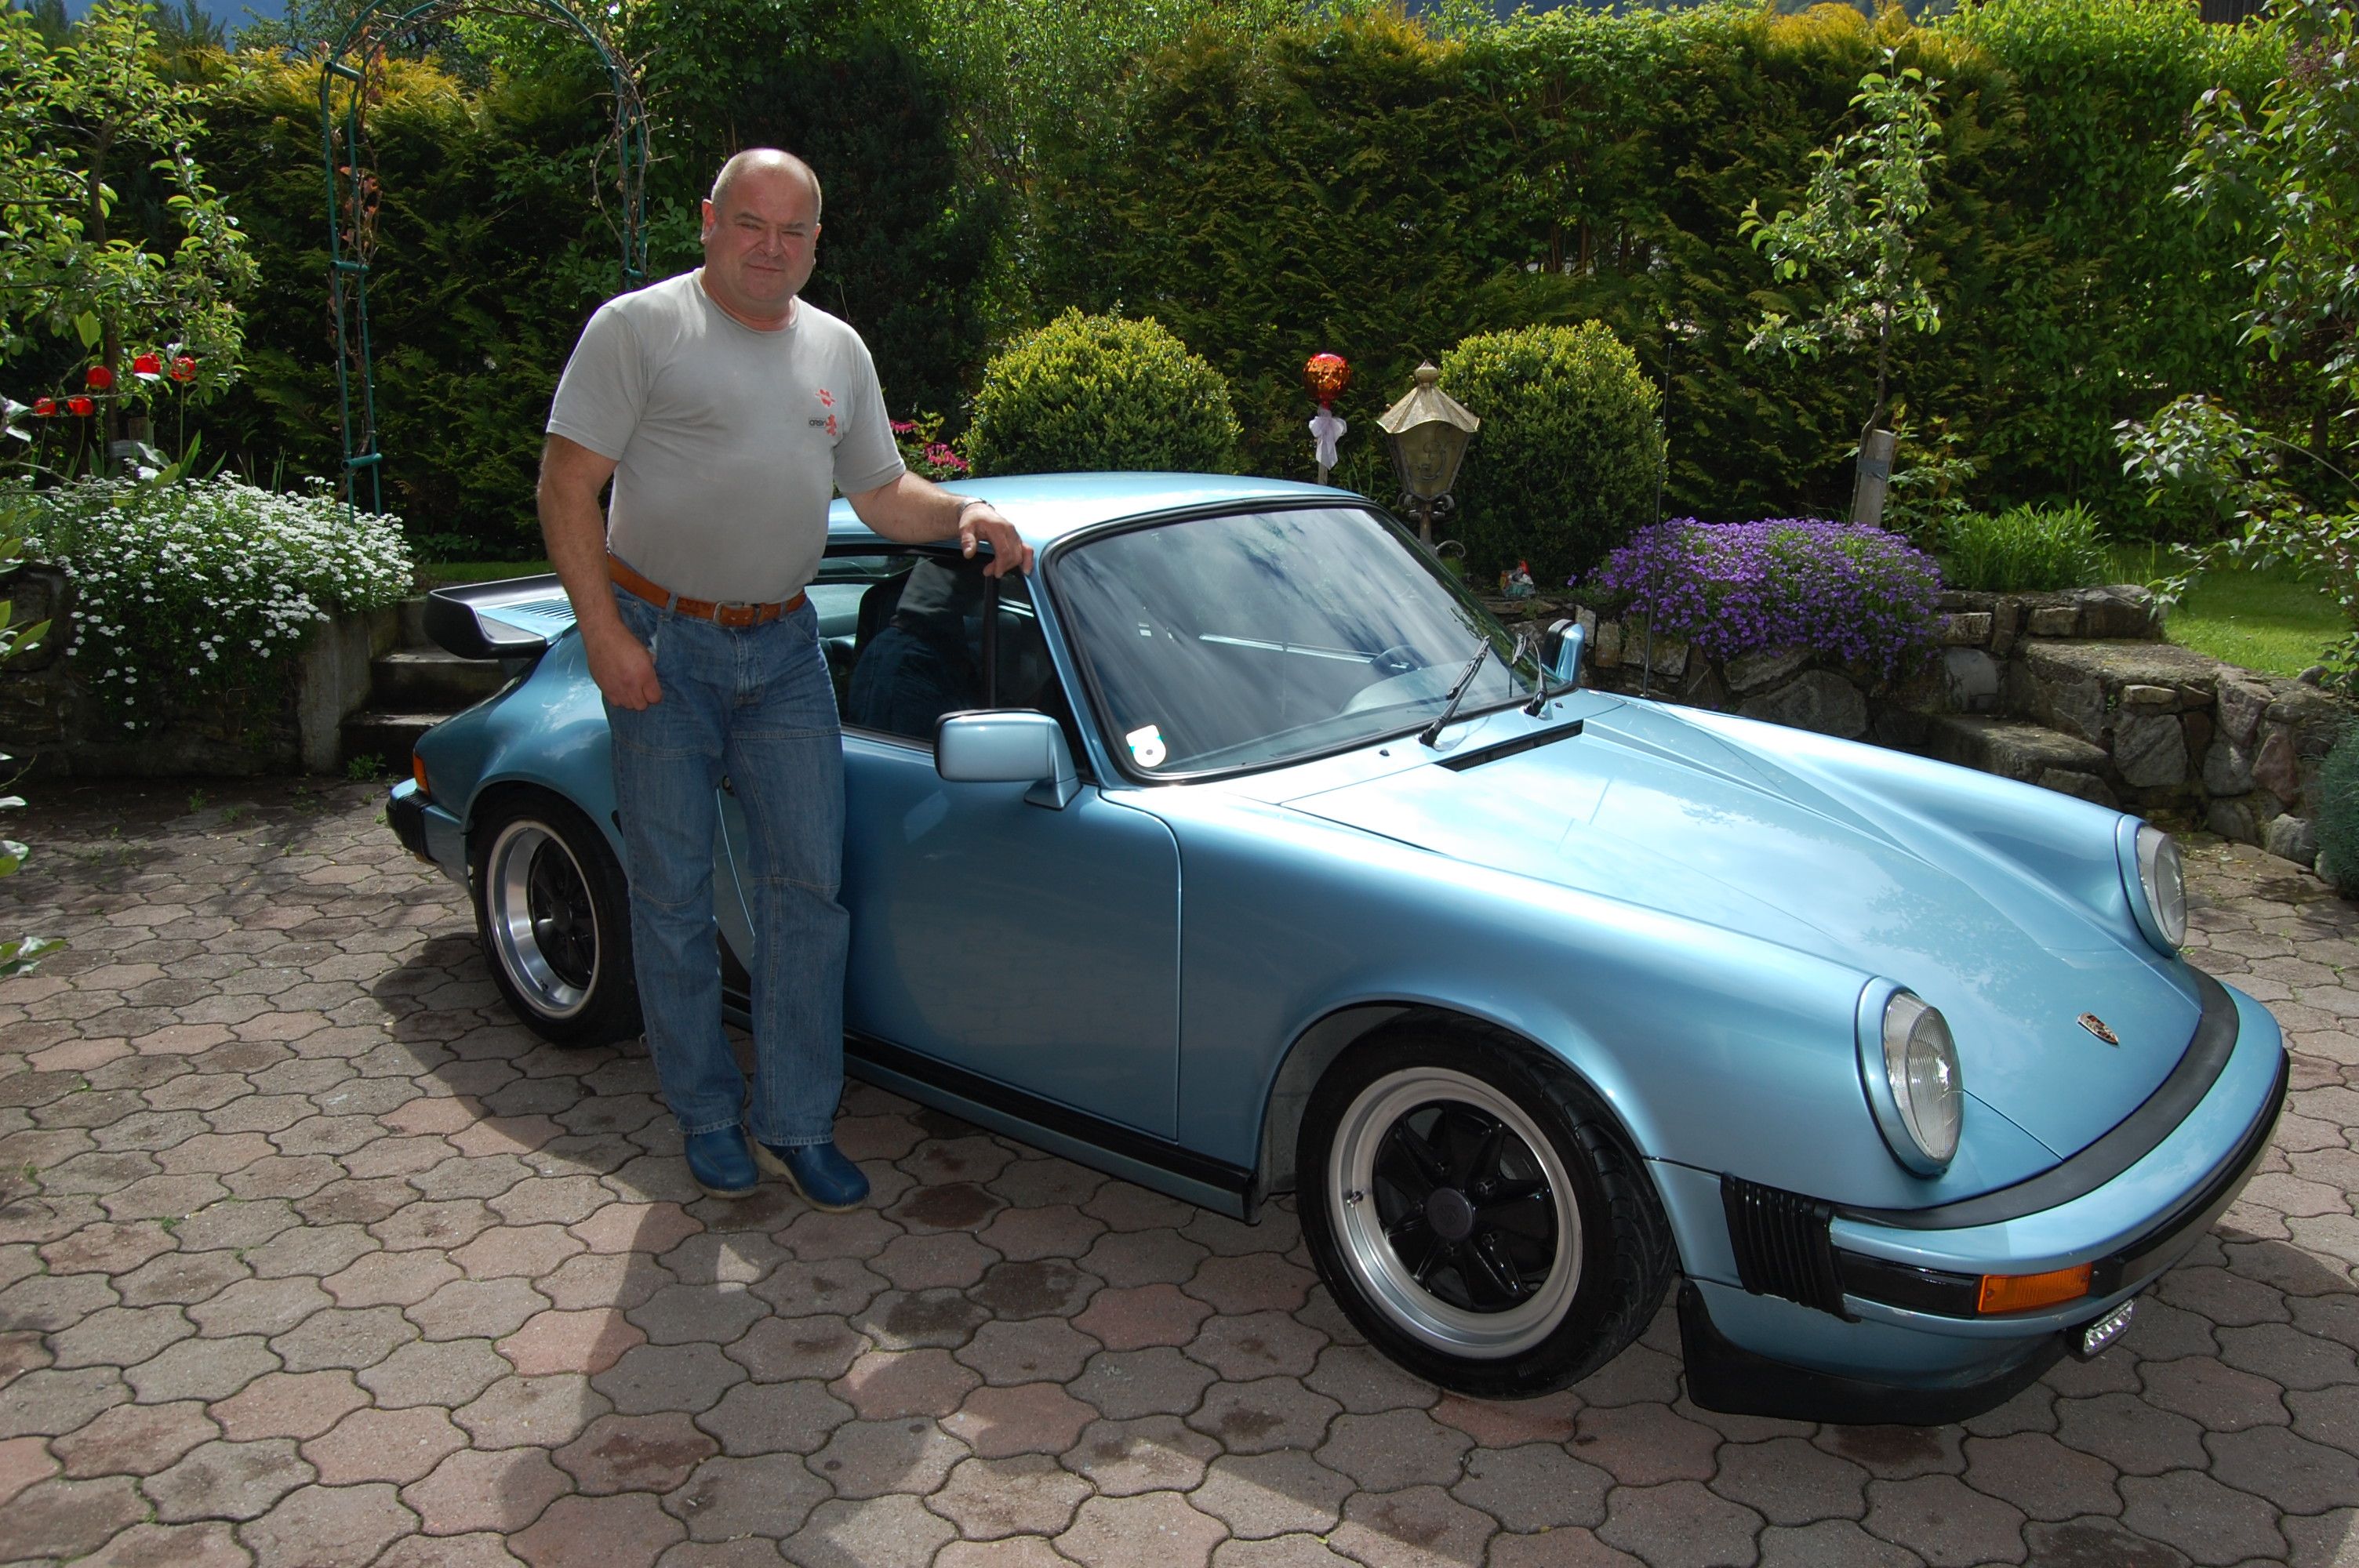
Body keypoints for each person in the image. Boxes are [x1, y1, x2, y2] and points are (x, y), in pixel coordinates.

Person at [537, 148, 1032, 1207]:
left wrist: (965, 510)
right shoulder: (638, 328)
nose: (771, 247)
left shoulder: (836, 348)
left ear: (815, 241)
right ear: (709, 221)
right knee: (672, 898)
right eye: (751, 223)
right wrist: (604, 636)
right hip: (659, 641)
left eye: (793, 230)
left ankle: (799, 1122)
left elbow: (882, 493)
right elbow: (567, 486)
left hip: (783, 650)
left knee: (809, 893)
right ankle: (707, 1116)